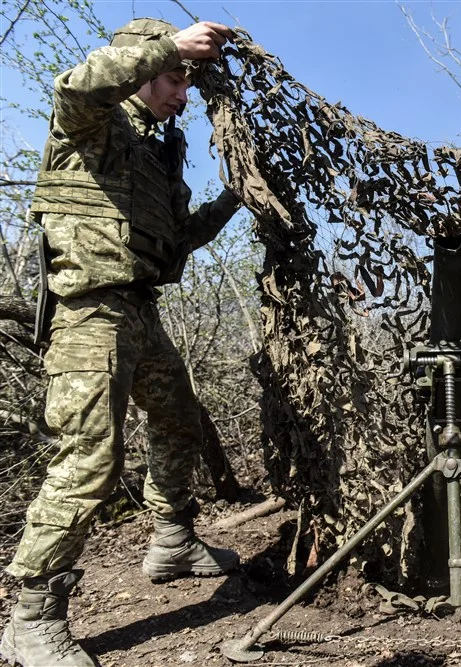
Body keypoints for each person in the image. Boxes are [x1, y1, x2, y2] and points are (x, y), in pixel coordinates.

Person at [1, 18, 243, 667]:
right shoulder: (91, 124)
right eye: (173, 78)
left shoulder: (158, 154)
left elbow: (179, 240)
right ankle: (32, 615)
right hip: (88, 314)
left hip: (138, 310)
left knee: (179, 420)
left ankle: (171, 539)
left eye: (187, 82)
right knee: (89, 463)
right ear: (140, 67)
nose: (183, 94)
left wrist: (236, 197)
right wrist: (171, 46)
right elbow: (74, 89)